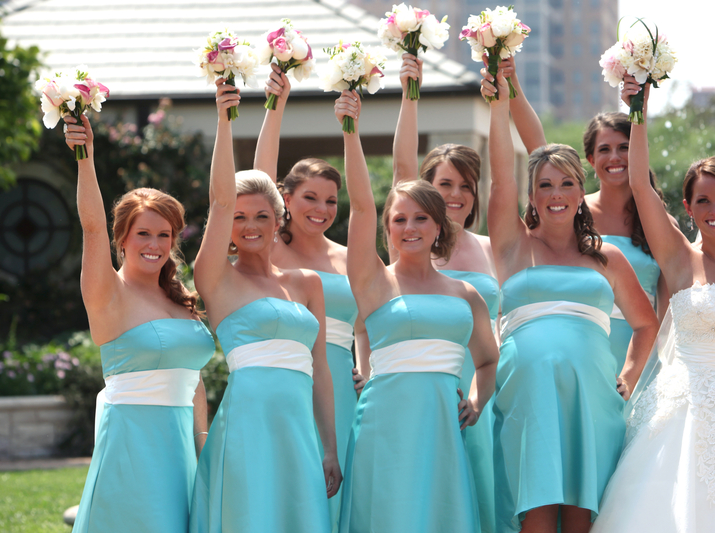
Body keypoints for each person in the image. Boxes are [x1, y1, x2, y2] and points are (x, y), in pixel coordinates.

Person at [486, 71, 659, 533]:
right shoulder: (513, 245)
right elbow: (501, 180)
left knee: (585, 515)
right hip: (528, 393)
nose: (556, 194)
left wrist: (627, 375)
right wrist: (498, 106)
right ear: (532, 196)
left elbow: (646, 324)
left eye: (566, 184)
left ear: (581, 192)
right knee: (536, 513)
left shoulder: (607, 256)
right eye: (544, 185)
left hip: (593, 396)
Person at [334, 89, 500, 533]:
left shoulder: (466, 294)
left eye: (421, 218)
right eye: (399, 219)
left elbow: (487, 360)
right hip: (383, 422)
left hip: (444, 426)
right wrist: (350, 131)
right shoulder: (373, 282)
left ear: (438, 224)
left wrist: (478, 402)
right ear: (387, 227)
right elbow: (362, 206)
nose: (410, 228)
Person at [189, 79, 341, 533]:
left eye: (261, 215)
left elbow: (322, 372)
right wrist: (223, 119)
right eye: (239, 217)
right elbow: (218, 200)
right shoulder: (217, 279)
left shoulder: (308, 283)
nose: (251, 225)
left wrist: (329, 447)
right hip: (246, 427)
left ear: (279, 219)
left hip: (297, 429)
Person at [591, 78, 715, 533]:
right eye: (702, 200)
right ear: (688, 208)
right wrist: (638, 109)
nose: (714, 209)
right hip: (681, 410)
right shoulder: (679, 259)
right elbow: (638, 183)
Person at [63, 114, 214, 533]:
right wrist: (85, 156)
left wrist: (203, 448)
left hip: (183, 441)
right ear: (123, 238)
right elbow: (92, 227)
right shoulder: (109, 293)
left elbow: (193, 380)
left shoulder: (180, 296)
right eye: (143, 234)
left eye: (165, 235)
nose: (155, 245)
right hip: (133, 443)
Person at [481, 58, 674, 375]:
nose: (615, 157)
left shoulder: (659, 225)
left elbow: (665, 307)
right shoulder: (568, 211)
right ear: (588, 160)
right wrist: (511, 83)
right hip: (578, 344)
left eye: (624, 148)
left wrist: (658, 367)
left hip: (638, 350)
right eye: (604, 149)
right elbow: (537, 153)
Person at [392, 53, 500, 533]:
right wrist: (409, 91)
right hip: (418, 391)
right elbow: (400, 170)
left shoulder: (497, 249)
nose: (455, 194)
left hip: (484, 389)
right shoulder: (413, 249)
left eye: (465, 186)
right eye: (444, 184)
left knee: (482, 492)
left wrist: (480, 397)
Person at [254, 65, 363, 532]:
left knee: (347, 493)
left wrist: (367, 367)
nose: (322, 210)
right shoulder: (271, 249)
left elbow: (365, 323)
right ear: (285, 199)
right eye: (310, 198)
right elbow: (256, 176)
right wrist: (275, 106)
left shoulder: (348, 257)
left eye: (331, 201)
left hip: (345, 385)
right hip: (293, 382)